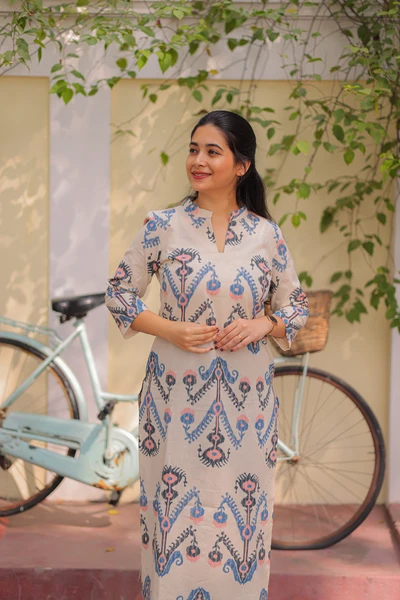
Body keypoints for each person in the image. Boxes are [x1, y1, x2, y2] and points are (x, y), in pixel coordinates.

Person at [105, 110, 309, 600]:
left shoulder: (266, 235)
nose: (198, 160)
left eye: (212, 151)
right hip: (174, 400)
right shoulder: (162, 226)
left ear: (241, 165)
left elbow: (297, 308)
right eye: (194, 149)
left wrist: (264, 324)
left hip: (247, 406)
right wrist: (170, 329)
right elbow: (119, 294)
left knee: (241, 520)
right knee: (171, 517)